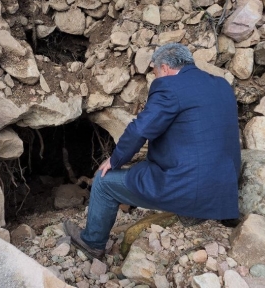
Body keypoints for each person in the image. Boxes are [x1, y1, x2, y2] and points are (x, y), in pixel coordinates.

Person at [64, 43, 241, 259]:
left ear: (165, 68)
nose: (155, 77)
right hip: (224, 189)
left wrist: (116, 159)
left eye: (155, 72)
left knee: (103, 182)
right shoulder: (221, 85)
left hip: (188, 186)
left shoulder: (170, 86)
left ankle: (92, 243)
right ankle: (212, 211)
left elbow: (141, 129)